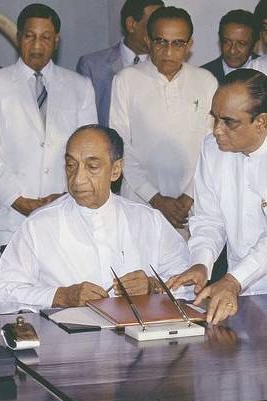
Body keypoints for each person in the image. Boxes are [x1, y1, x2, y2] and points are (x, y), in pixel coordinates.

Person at [0, 125, 190, 314]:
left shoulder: (149, 221)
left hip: (139, 339)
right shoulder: (40, 225)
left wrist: (154, 286)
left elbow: (190, 284)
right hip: (68, 341)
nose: (78, 179)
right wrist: (59, 296)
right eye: (71, 165)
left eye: (92, 167)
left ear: (115, 170)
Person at [0, 3, 97, 258]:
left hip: (67, 207)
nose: (37, 45)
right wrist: (17, 199)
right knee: (13, 282)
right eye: (30, 36)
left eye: (45, 37)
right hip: (10, 214)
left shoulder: (80, 86)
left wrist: (66, 196)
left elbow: (89, 152)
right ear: (18, 37)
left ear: (57, 40)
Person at [167, 69, 267, 325]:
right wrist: (201, 263)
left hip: (237, 283)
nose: (216, 130)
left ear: (261, 122)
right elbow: (209, 219)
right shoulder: (212, 149)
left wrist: (234, 280)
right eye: (215, 118)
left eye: (228, 122)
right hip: (240, 294)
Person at [110, 6, 217, 237]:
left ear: (189, 45)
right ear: (148, 41)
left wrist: (188, 196)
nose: (168, 51)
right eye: (161, 42)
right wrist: (155, 198)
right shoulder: (126, 80)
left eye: (178, 43)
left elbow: (212, 146)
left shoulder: (206, 81)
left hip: (193, 204)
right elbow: (120, 145)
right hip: (140, 200)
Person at [76, 0, 164, 126]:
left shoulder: (164, 65)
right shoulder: (92, 65)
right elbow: (86, 121)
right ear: (131, 24)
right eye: (153, 23)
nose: (160, 30)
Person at [201, 10, 259, 84]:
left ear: (254, 44)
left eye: (241, 43)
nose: (232, 51)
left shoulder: (264, 69)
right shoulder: (202, 75)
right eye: (227, 42)